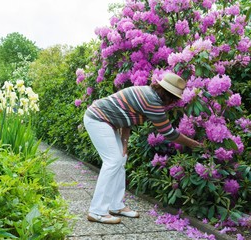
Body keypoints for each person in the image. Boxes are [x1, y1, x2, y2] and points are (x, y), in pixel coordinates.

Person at [83, 72, 201, 224]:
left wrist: (124, 144)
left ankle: (115, 205)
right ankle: (97, 211)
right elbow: (168, 133)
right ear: (168, 95)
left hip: (107, 122)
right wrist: (194, 144)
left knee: (120, 160)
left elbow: (126, 116)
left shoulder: (147, 92)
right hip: (97, 119)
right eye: (173, 99)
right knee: (112, 161)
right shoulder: (152, 101)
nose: (172, 103)